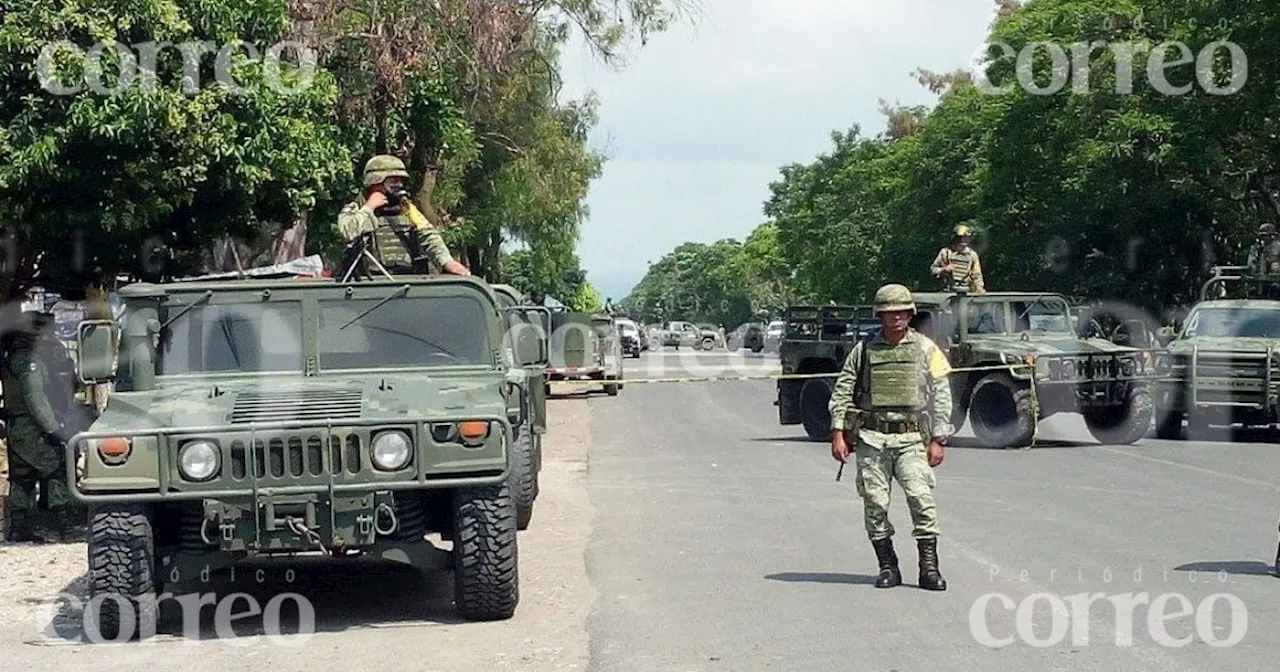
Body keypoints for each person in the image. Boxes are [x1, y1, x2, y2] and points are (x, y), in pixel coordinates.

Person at [827, 283, 954, 591]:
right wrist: (838, 432)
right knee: (874, 504)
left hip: (911, 439)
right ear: (879, 316)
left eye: (901, 312)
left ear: (910, 314)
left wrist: (939, 438)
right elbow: (843, 389)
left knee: (922, 502)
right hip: (872, 438)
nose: (896, 318)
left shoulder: (926, 348)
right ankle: (888, 567)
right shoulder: (864, 350)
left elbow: (941, 393)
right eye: (889, 313)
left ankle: (929, 570)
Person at [0, 311, 88, 542]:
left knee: (23, 476)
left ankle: (18, 528)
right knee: (56, 468)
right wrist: (52, 429)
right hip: (33, 426)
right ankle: (67, 525)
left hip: (19, 425)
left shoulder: (17, 355)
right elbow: (35, 398)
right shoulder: (28, 360)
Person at [337, 155, 470, 277]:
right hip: (368, 287)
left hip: (406, 283)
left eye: (401, 181)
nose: (399, 185)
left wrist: (447, 262)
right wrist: (369, 208)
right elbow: (348, 232)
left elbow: (428, 235)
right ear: (375, 181)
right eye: (393, 181)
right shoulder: (356, 209)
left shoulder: (407, 209)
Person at [930, 223, 985, 293]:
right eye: (960, 237)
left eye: (966, 238)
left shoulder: (972, 255)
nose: (963, 240)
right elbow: (933, 269)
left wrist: (979, 287)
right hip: (947, 291)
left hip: (966, 291)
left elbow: (977, 275)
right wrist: (943, 270)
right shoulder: (945, 253)